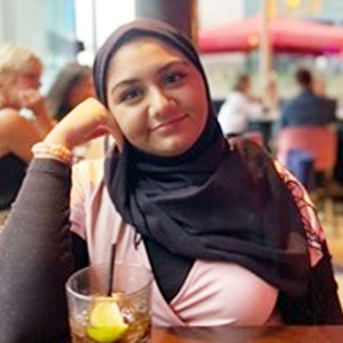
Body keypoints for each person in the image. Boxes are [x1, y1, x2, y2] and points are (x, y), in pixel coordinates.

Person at [0, 20, 342, 342]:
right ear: (108, 113)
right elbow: (17, 323)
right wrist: (57, 143)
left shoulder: (270, 180)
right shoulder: (90, 189)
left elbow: (323, 321)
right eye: (131, 95)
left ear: (202, 80)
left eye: (174, 77)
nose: (161, 105)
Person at [0, 42, 53, 223]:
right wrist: (41, 111)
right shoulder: (8, 120)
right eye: (31, 76)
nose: (39, 83)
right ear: (5, 77)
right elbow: (57, 160)